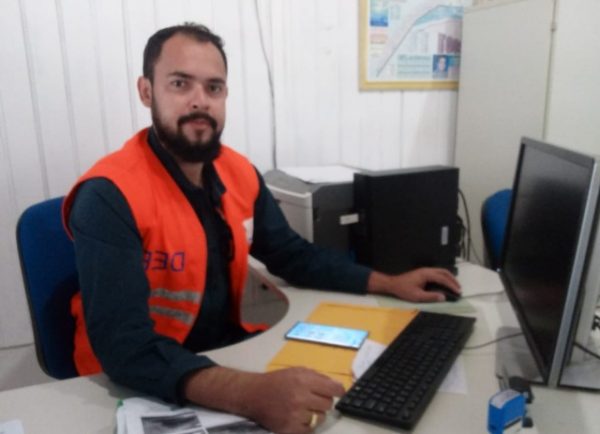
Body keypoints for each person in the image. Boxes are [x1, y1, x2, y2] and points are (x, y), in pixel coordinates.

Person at [63, 23, 460, 434]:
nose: (200, 101)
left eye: (214, 87)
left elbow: (292, 255)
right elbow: (124, 345)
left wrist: (389, 282)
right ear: (146, 91)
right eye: (180, 84)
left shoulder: (238, 172)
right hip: (130, 387)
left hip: (221, 362)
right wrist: (250, 393)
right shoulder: (109, 195)